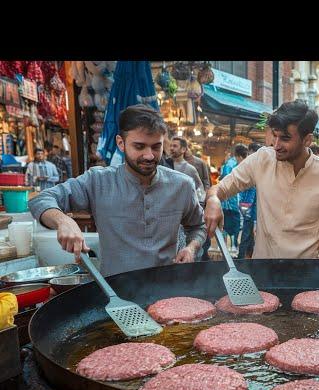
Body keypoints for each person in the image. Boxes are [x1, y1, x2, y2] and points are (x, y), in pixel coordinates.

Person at [28, 104, 206, 277]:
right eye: (139, 146)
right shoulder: (98, 181)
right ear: (121, 143)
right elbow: (41, 200)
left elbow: (199, 226)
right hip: (115, 293)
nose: (149, 155)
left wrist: (191, 248)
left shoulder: (182, 184)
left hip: (167, 291)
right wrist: (63, 221)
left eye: (156, 146)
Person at [203, 100, 319, 259]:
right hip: (263, 270)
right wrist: (213, 200)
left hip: (307, 273)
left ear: (307, 140)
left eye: (285, 138)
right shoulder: (262, 159)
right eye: (275, 136)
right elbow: (221, 189)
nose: (276, 145)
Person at [219, 145, 242, 254]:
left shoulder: (228, 164)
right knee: (235, 224)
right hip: (234, 201)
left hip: (227, 200)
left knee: (226, 223)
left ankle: (224, 246)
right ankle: (233, 245)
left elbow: (223, 179)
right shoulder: (234, 164)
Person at [236, 143, 258, 260]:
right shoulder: (252, 166)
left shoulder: (252, 168)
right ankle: (249, 257)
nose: (248, 155)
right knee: (249, 236)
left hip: (250, 210)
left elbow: (252, 191)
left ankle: (241, 259)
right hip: (250, 210)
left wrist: (246, 209)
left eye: (250, 152)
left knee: (246, 235)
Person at [169, 137, 205, 202]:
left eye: (175, 146)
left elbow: (199, 189)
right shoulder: (165, 166)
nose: (171, 148)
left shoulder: (190, 169)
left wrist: (199, 205)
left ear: (183, 149)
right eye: (170, 146)